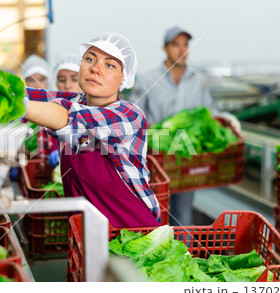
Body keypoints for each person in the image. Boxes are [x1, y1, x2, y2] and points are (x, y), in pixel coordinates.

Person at [22, 32, 161, 228]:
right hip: (87, 233)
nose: (95, 68)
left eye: (110, 65)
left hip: (135, 233)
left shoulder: (129, 115)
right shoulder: (76, 101)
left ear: (124, 78)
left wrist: (18, 106)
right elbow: (34, 94)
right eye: (89, 59)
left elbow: (71, 118)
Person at [132, 26, 239, 226]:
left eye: (185, 45)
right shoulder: (149, 80)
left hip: (186, 161)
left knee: (182, 213)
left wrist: (226, 119)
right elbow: (134, 115)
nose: (182, 50)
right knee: (152, 211)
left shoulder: (197, 81)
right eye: (175, 45)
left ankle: (184, 253)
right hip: (156, 160)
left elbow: (209, 112)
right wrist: (153, 129)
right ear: (164, 49)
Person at [47, 53, 83, 167]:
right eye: (62, 80)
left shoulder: (92, 109)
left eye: (74, 79)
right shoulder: (52, 108)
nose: (67, 85)